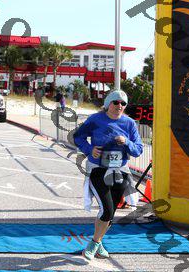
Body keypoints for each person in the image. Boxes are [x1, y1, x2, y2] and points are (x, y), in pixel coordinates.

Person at [73, 90, 143, 260]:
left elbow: (138, 149)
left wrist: (126, 142)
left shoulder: (129, 123)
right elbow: (78, 137)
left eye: (123, 103)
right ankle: (94, 244)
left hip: (120, 172)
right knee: (107, 209)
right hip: (98, 170)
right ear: (107, 104)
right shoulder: (95, 119)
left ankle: (98, 242)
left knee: (110, 213)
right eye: (116, 102)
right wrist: (90, 149)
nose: (120, 106)